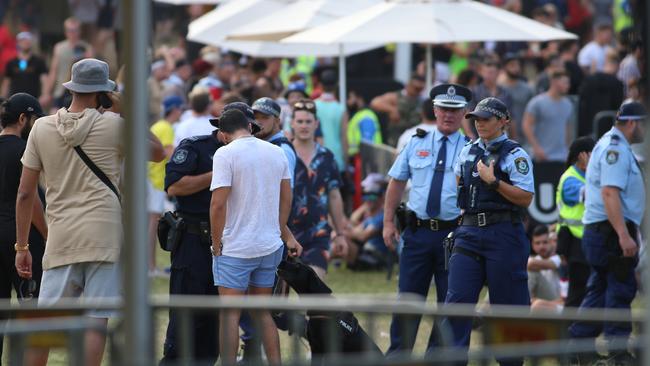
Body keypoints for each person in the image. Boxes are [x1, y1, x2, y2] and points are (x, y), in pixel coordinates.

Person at [14, 58, 164, 366]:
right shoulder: (115, 126)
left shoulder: (41, 128)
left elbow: (25, 192)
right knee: (97, 320)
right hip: (105, 233)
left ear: (71, 88)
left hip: (61, 235)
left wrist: (22, 246)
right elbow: (158, 151)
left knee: (44, 321)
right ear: (102, 93)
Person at [441, 97, 534, 366]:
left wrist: (494, 183)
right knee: (456, 303)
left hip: (503, 233)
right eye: (476, 119)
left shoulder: (515, 154)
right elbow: (461, 182)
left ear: (503, 121)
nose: (480, 123)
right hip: (468, 233)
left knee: (508, 306)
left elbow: (525, 197)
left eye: (486, 118)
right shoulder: (467, 150)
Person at [383, 83, 472, 357]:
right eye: (444, 109)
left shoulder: (471, 148)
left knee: (450, 301)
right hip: (418, 232)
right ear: (434, 110)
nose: (448, 115)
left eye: (455, 110)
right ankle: (399, 355)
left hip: (453, 236)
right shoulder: (416, 142)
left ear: (465, 113)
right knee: (409, 299)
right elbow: (396, 182)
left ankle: (438, 357)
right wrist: (387, 222)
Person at [209, 108, 302, 366]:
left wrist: (217, 244)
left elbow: (217, 204)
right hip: (269, 244)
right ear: (250, 127)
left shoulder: (224, 154)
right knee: (262, 313)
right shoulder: (277, 151)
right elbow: (287, 197)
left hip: (235, 246)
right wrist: (279, 228)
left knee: (230, 315)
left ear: (224, 134)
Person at [159, 104, 246, 365]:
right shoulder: (196, 147)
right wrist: (217, 174)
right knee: (187, 313)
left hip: (230, 242)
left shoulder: (250, 153)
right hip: (194, 240)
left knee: (214, 319)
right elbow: (173, 186)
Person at [568, 101, 646, 364]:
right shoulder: (616, 149)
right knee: (619, 289)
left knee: (600, 290)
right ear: (634, 123)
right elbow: (609, 192)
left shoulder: (609, 143)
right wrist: (624, 235)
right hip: (611, 232)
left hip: (602, 230)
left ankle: (578, 346)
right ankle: (617, 351)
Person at [0, 93, 47, 362]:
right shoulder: (24, 152)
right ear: (22, 119)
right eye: (34, 119)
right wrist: (48, 234)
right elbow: (30, 199)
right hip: (21, 239)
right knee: (33, 311)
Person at [289, 99, 349, 280]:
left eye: (308, 122)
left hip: (319, 233)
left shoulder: (326, 157)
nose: (304, 126)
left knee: (314, 289)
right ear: (292, 124)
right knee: (280, 296)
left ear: (316, 124)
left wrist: (339, 234)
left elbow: (334, 196)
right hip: (286, 232)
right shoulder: (283, 153)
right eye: (299, 121)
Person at [555, 136, 595, 308]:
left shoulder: (584, 175)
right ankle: (570, 330)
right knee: (577, 292)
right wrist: (595, 170)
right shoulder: (571, 179)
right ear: (582, 156)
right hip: (574, 242)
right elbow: (594, 194)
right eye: (594, 153)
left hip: (584, 240)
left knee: (586, 290)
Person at [147, 95, 184, 276]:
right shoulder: (166, 128)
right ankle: (151, 267)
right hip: (155, 181)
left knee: (149, 225)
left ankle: (149, 266)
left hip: (150, 179)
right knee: (152, 226)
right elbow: (172, 155)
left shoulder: (158, 126)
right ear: (175, 110)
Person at [522, 70, 573, 162]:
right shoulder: (537, 102)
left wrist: (568, 149)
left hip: (561, 156)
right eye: (565, 82)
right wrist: (536, 148)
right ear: (554, 82)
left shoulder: (568, 104)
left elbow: (567, 128)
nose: (568, 86)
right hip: (541, 156)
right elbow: (527, 125)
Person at [43, 17, 93, 110]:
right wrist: (47, 93)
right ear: (65, 32)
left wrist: (87, 57)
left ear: (80, 31)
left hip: (80, 90)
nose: (72, 33)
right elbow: (53, 71)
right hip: (60, 89)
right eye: (69, 30)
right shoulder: (59, 47)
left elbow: (91, 70)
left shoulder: (86, 47)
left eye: (75, 30)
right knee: (54, 117)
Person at [345, 173, 389, 269]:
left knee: (344, 238)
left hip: (376, 256)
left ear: (381, 198)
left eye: (372, 196)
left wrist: (343, 232)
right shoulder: (370, 216)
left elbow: (362, 236)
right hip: (366, 251)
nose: (367, 200)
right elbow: (353, 221)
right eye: (365, 196)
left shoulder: (382, 216)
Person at [577, 51, 624, 137]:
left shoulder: (589, 80)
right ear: (617, 65)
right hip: (608, 128)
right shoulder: (617, 84)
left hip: (588, 126)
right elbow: (618, 105)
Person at [371, 73, 425, 147]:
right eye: (415, 88)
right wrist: (392, 110)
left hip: (414, 141)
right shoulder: (396, 97)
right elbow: (375, 103)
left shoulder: (422, 101)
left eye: (420, 89)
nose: (417, 91)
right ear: (409, 85)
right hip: (395, 140)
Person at [252, 97, 296, 186]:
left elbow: (287, 194)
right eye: (255, 117)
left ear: (277, 121)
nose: (258, 122)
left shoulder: (283, 150)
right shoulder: (255, 144)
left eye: (264, 117)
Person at [314, 69, 348, 173]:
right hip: (336, 158)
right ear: (336, 85)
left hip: (316, 156)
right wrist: (346, 162)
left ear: (320, 85)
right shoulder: (341, 108)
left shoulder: (313, 105)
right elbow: (344, 137)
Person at [1, 32, 48, 101]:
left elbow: (45, 80)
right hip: (14, 100)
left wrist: (45, 95)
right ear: (18, 43)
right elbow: (6, 83)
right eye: (22, 40)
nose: (25, 42)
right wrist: (3, 99)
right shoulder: (11, 63)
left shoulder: (39, 62)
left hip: (33, 100)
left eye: (27, 40)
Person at [527, 225, 564, 312]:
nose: (541, 246)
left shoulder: (560, 258)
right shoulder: (535, 260)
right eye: (537, 243)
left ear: (551, 242)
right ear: (532, 245)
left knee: (531, 271)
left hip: (558, 302)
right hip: (539, 301)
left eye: (545, 242)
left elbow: (531, 264)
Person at [346, 89, 382, 156]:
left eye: (350, 98)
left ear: (359, 99)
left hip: (364, 159)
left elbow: (368, 144)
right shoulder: (359, 115)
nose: (348, 102)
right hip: (358, 158)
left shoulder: (366, 116)